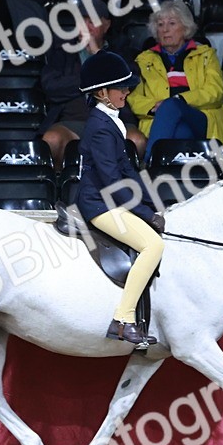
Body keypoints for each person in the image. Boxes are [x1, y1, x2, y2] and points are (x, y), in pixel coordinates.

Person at [74, 51, 165, 347]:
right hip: (98, 204)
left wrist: (152, 203)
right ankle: (122, 319)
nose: (127, 91)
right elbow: (112, 180)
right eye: (121, 87)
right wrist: (142, 212)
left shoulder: (112, 120)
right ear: (102, 93)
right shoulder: (100, 126)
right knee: (153, 245)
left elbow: (128, 169)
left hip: (110, 198)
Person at [38, 0, 147, 167]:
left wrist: (99, 54)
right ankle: (66, 186)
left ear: (106, 25)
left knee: (137, 141)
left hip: (116, 120)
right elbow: (51, 87)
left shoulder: (121, 51)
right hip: (73, 121)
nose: (87, 27)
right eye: (83, 21)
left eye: (92, 22)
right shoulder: (62, 52)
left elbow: (129, 82)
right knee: (51, 140)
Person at [127, 0, 223, 158]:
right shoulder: (144, 60)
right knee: (180, 130)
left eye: (171, 23)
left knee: (172, 105)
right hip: (160, 120)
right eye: (160, 24)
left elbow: (215, 91)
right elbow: (134, 98)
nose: (165, 30)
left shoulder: (205, 55)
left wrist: (180, 100)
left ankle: (150, 161)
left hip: (200, 117)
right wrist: (154, 108)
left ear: (185, 28)